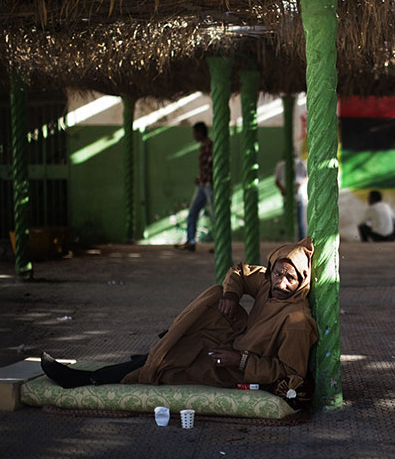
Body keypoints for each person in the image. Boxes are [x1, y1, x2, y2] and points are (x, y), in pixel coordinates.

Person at [41, 238, 319, 408]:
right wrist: (232, 296)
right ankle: (160, 349)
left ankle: (87, 379)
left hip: (237, 370)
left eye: (291, 278)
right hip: (233, 342)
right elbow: (239, 272)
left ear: (302, 280)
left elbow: (289, 373)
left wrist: (241, 361)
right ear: (271, 271)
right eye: (278, 274)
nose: (282, 283)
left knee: (169, 367)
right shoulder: (267, 284)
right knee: (215, 296)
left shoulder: (296, 320)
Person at [176, 122, 213, 252]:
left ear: (200, 133)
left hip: (209, 184)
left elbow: (211, 166)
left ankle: (220, 244)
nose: (194, 135)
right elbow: (204, 167)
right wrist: (200, 177)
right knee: (192, 212)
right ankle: (190, 241)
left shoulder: (209, 146)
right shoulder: (203, 146)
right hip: (203, 184)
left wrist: (203, 178)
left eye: (195, 133)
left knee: (215, 214)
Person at [275, 157, 308, 241]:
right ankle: (288, 240)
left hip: (298, 197)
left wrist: (298, 185)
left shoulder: (300, 164)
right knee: (288, 221)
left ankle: (302, 241)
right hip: (287, 198)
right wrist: (283, 190)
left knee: (300, 222)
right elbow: (277, 181)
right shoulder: (281, 165)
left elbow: (306, 176)